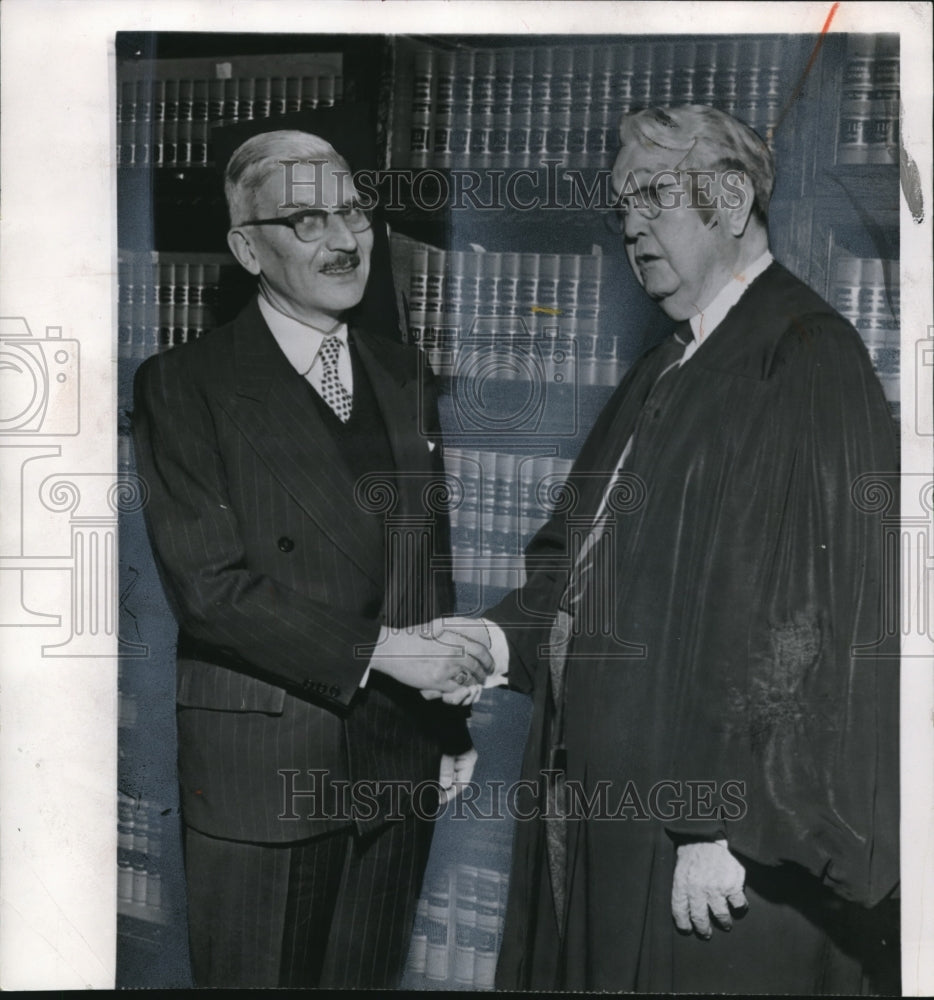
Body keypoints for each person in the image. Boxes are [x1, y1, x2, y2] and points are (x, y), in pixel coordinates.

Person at [464, 105, 899, 993]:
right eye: (622, 202)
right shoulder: (673, 361)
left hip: (709, 845)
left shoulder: (805, 353)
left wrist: (720, 823)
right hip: (614, 812)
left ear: (732, 200)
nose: (630, 222)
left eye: (655, 194)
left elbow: (805, 619)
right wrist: (492, 643)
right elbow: (589, 567)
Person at [132, 129, 492, 989]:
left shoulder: (402, 373)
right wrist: (388, 653)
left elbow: (420, 560)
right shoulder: (183, 384)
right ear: (246, 248)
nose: (342, 240)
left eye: (353, 211)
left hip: (396, 766)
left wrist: (447, 725)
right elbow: (212, 592)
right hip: (268, 774)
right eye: (305, 220)